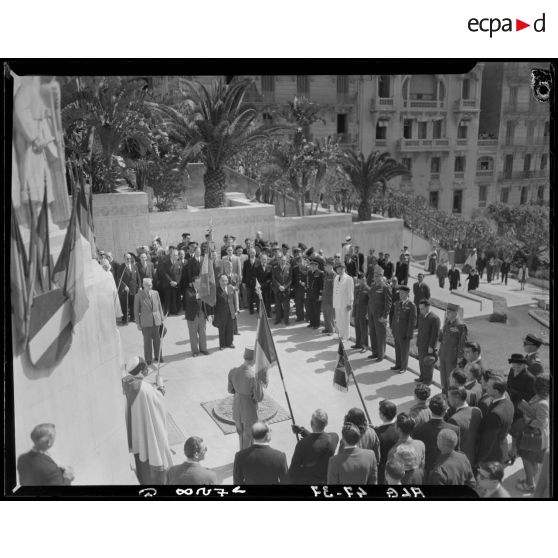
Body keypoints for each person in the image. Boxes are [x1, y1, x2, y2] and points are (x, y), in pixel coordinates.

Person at [122, 356, 173, 484]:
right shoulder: (145, 389)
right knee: (154, 459)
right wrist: (161, 385)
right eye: (145, 367)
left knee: (141, 462)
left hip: (137, 435)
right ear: (141, 369)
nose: (147, 370)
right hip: (150, 434)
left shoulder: (127, 382)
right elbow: (158, 399)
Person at [515, 374, 550, 494]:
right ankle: (530, 480)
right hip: (534, 436)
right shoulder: (539, 397)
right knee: (532, 460)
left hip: (535, 438)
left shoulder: (543, 403)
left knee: (527, 460)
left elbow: (541, 423)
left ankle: (529, 484)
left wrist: (527, 420)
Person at [227, 347, 266, 450]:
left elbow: (230, 390)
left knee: (240, 434)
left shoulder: (233, 371)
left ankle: (242, 454)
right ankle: (245, 457)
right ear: (253, 360)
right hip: (249, 409)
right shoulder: (253, 377)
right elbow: (259, 397)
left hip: (236, 406)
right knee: (248, 436)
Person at [413, 394, 460, 476]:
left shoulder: (418, 430)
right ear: (445, 411)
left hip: (429, 470)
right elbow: (456, 451)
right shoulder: (454, 429)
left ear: (430, 410)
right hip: (449, 469)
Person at [289, 409, 339, 484]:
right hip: (325, 480)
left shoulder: (302, 444)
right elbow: (320, 439)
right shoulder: (334, 438)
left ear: (311, 423)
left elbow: (293, 470)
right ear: (326, 423)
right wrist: (303, 431)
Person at [476, 375, 514, 465]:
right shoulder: (509, 403)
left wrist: (480, 459)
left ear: (496, 391)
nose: (485, 387)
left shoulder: (495, 414)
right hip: (500, 452)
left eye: (489, 386)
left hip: (492, 457)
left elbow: (488, 442)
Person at [447, 386, 482, 468]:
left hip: (462, 461)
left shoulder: (454, 420)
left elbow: (453, 446)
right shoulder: (477, 411)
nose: (447, 400)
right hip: (476, 456)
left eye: (449, 397)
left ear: (456, 399)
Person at [386, 413, 425, 484]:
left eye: (395, 424)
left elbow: (390, 477)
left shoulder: (393, 452)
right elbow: (422, 467)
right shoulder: (421, 444)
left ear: (399, 429)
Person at [438, 303, 467, 393]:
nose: (447, 314)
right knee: (443, 374)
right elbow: (442, 338)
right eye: (447, 312)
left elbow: (462, 342)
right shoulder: (447, 322)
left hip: (452, 355)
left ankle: (450, 393)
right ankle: (444, 391)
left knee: (450, 376)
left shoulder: (460, 325)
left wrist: (460, 356)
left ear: (456, 313)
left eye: (450, 312)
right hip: (443, 353)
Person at [134, 278, 164, 365]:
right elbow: (136, 311)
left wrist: (162, 318)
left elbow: (159, 306)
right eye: (147, 285)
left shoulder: (156, 293)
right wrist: (138, 323)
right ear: (143, 285)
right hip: (145, 322)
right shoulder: (138, 296)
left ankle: (158, 356)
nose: (149, 287)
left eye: (150, 285)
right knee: (147, 341)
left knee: (157, 340)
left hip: (156, 320)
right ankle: (148, 358)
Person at [390, 285, 416, 374]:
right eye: (399, 293)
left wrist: (409, 334)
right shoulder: (398, 303)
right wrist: (393, 328)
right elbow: (394, 317)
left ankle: (403, 367)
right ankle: (398, 364)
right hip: (397, 330)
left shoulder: (411, 305)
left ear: (407, 294)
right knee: (397, 348)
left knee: (404, 350)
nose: (400, 295)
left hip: (404, 332)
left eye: (402, 293)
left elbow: (412, 321)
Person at [367, 267, 392, 362]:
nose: (376, 277)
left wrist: (385, 316)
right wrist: (367, 312)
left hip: (380, 316)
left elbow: (388, 304)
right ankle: (375, 352)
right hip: (371, 314)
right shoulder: (373, 286)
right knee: (372, 333)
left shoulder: (385, 287)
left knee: (380, 335)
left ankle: (381, 355)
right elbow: (370, 300)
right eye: (375, 275)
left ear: (382, 276)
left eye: (378, 275)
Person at [415, 299, 441, 385]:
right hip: (421, 344)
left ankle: (428, 380)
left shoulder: (435, 318)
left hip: (428, 346)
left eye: (422, 308)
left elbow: (435, 334)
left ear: (427, 307)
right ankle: (422, 377)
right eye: (420, 308)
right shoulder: (421, 316)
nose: (420, 310)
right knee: (421, 362)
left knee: (428, 364)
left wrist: (431, 347)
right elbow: (420, 330)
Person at [184, 278, 211, 357]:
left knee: (203, 333)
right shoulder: (188, 290)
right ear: (193, 283)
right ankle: (195, 351)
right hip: (192, 315)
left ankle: (203, 349)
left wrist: (209, 314)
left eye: (200, 283)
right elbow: (190, 298)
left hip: (201, 314)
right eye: (197, 283)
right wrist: (200, 294)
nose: (199, 284)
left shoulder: (202, 290)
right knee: (193, 334)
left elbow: (206, 303)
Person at [374, 400, 399, 483]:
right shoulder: (400, 427)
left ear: (383, 416)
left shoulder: (377, 434)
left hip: (384, 470)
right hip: (399, 466)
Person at [214, 274, 238, 350]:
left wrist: (236, 309)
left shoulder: (230, 287)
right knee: (222, 329)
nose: (224, 282)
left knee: (230, 328)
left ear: (228, 281)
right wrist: (213, 314)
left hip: (231, 311)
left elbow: (235, 298)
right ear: (219, 281)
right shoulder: (216, 290)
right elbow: (214, 303)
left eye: (226, 280)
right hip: (221, 313)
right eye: (222, 280)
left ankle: (230, 343)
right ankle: (222, 345)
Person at [332, 262, 354, 341]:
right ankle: (340, 335)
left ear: (344, 269)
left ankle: (346, 336)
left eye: (341, 268)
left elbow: (350, 292)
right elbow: (335, 291)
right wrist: (334, 302)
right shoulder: (336, 277)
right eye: (338, 268)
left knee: (345, 320)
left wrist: (350, 303)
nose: (340, 270)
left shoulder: (348, 278)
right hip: (337, 302)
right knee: (338, 319)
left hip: (345, 303)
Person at [118, 253, 141, 324]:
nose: (128, 260)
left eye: (129, 258)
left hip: (134, 288)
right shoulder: (121, 267)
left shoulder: (134, 266)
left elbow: (138, 277)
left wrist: (140, 286)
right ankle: (125, 319)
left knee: (133, 304)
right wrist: (124, 286)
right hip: (125, 290)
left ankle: (132, 317)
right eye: (127, 259)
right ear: (124, 259)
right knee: (125, 304)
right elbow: (119, 278)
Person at [272, 254, 292, 325]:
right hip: (278, 290)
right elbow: (274, 279)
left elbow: (290, 279)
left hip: (286, 290)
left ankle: (286, 320)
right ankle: (278, 319)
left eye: (284, 260)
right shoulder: (275, 268)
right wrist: (279, 286)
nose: (283, 261)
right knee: (278, 306)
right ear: (279, 260)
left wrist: (284, 287)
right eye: (281, 260)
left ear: (286, 261)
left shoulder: (289, 267)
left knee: (286, 306)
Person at [352, 272, 369, 351]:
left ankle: (365, 346)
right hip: (357, 310)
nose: (362, 280)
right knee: (357, 328)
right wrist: (353, 311)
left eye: (363, 279)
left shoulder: (368, 289)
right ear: (358, 280)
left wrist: (368, 313)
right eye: (360, 279)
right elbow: (355, 300)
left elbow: (369, 303)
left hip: (364, 312)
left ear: (365, 279)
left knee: (364, 329)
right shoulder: (357, 287)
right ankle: (358, 343)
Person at [306, 257, 323, 329]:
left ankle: (317, 324)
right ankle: (312, 322)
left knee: (316, 310)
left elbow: (321, 285)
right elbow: (308, 283)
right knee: (310, 309)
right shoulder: (309, 272)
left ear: (317, 265)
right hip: (310, 294)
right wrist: (306, 292)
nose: (312, 266)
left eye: (314, 265)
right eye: (311, 265)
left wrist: (320, 295)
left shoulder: (320, 273)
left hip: (316, 294)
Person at [242, 248, 259, 315]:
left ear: (255, 253)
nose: (252, 254)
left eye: (253, 252)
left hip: (256, 282)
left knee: (257, 296)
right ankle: (251, 309)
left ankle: (258, 309)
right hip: (248, 282)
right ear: (249, 253)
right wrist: (243, 282)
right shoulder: (246, 262)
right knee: (249, 297)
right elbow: (244, 273)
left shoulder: (258, 261)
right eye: (251, 252)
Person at [320, 258, 336, 335]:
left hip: (331, 298)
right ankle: (327, 328)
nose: (324, 267)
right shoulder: (326, 274)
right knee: (325, 313)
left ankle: (331, 329)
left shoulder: (334, 275)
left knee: (330, 315)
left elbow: (335, 288)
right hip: (325, 297)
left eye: (326, 266)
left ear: (330, 266)